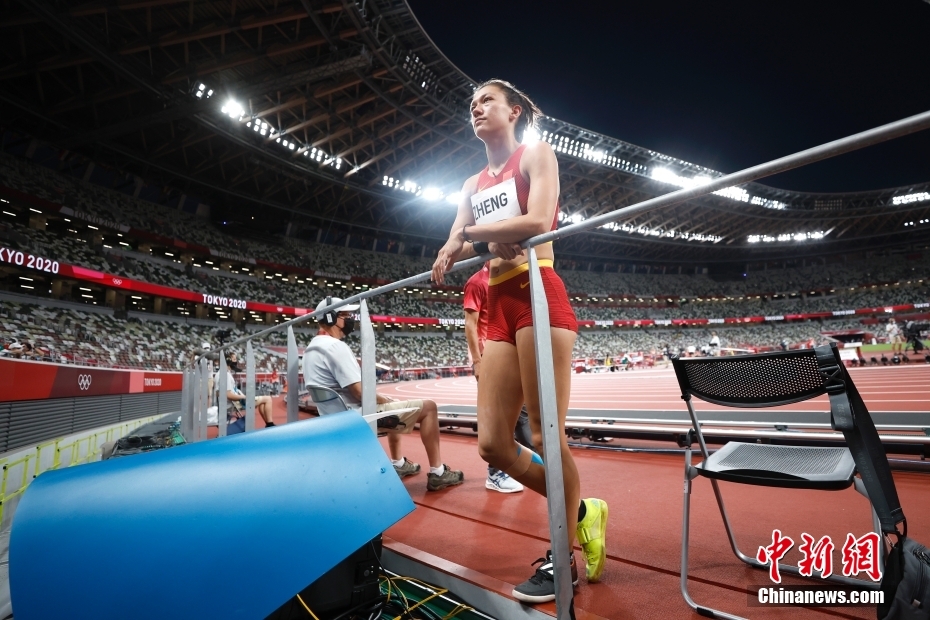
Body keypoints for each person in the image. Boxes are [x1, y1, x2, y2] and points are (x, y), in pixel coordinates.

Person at [430, 79, 607, 603]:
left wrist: (480, 234)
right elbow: (458, 232)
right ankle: (581, 508)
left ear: (515, 111)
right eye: (472, 104)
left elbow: (540, 220)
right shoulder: (469, 183)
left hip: (537, 291)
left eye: (486, 100)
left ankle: (563, 550)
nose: (477, 108)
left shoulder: (537, 154)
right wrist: (452, 242)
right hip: (497, 304)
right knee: (494, 444)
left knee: (548, 437)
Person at [303, 298, 464, 492]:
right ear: (333, 318)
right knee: (429, 407)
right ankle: (438, 473)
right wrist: (383, 399)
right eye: (346, 316)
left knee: (392, 405)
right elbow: (359, 392)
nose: (350, 319)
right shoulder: (335, 347)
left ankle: (398, 464)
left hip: (333, 419)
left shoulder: (311, 348)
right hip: (356, 417)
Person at [464, 262, 529, 494]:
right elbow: (470, 325)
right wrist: (477, 361)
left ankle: (525, 463)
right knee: (498, 415)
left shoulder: (510, 278)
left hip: (510, 352)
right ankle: (495, 473)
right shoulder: (477, 282)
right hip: (489, 355)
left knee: (521, 413)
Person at [214, 349, 276, 434]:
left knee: (262, 402)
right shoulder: (225, 375)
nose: (236, 362)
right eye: (234, 359)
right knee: (268, 399)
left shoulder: (220, 373)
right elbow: (229, 395)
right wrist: (244, 397)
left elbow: (221, 393)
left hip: (231, 403)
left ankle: (269, 424)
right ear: (228, 360)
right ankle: (270, 424)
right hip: (235, 404)